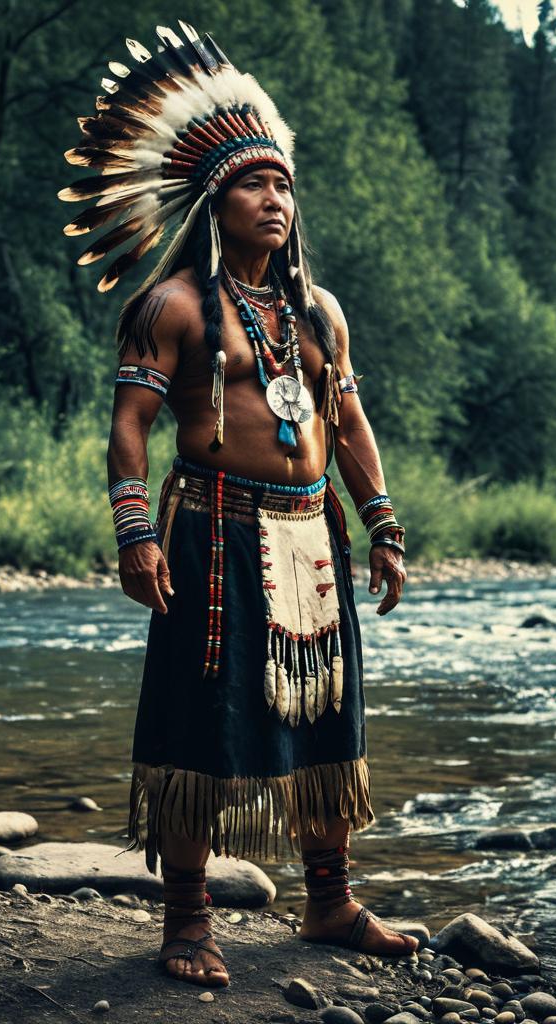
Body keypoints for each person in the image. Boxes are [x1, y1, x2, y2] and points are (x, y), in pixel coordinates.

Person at [59, 21, 416, 988]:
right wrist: (135, 533)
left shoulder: (320, 313)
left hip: (312, 538)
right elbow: (129, 426)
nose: (277, 199)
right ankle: (186, 919)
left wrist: (381, 525)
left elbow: (347, 425)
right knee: (197, 726)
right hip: (210, 526)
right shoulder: (171, 304)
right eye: (257, 184)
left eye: (286, 185)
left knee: (327, 721)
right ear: (216, 200)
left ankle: (330, 901)